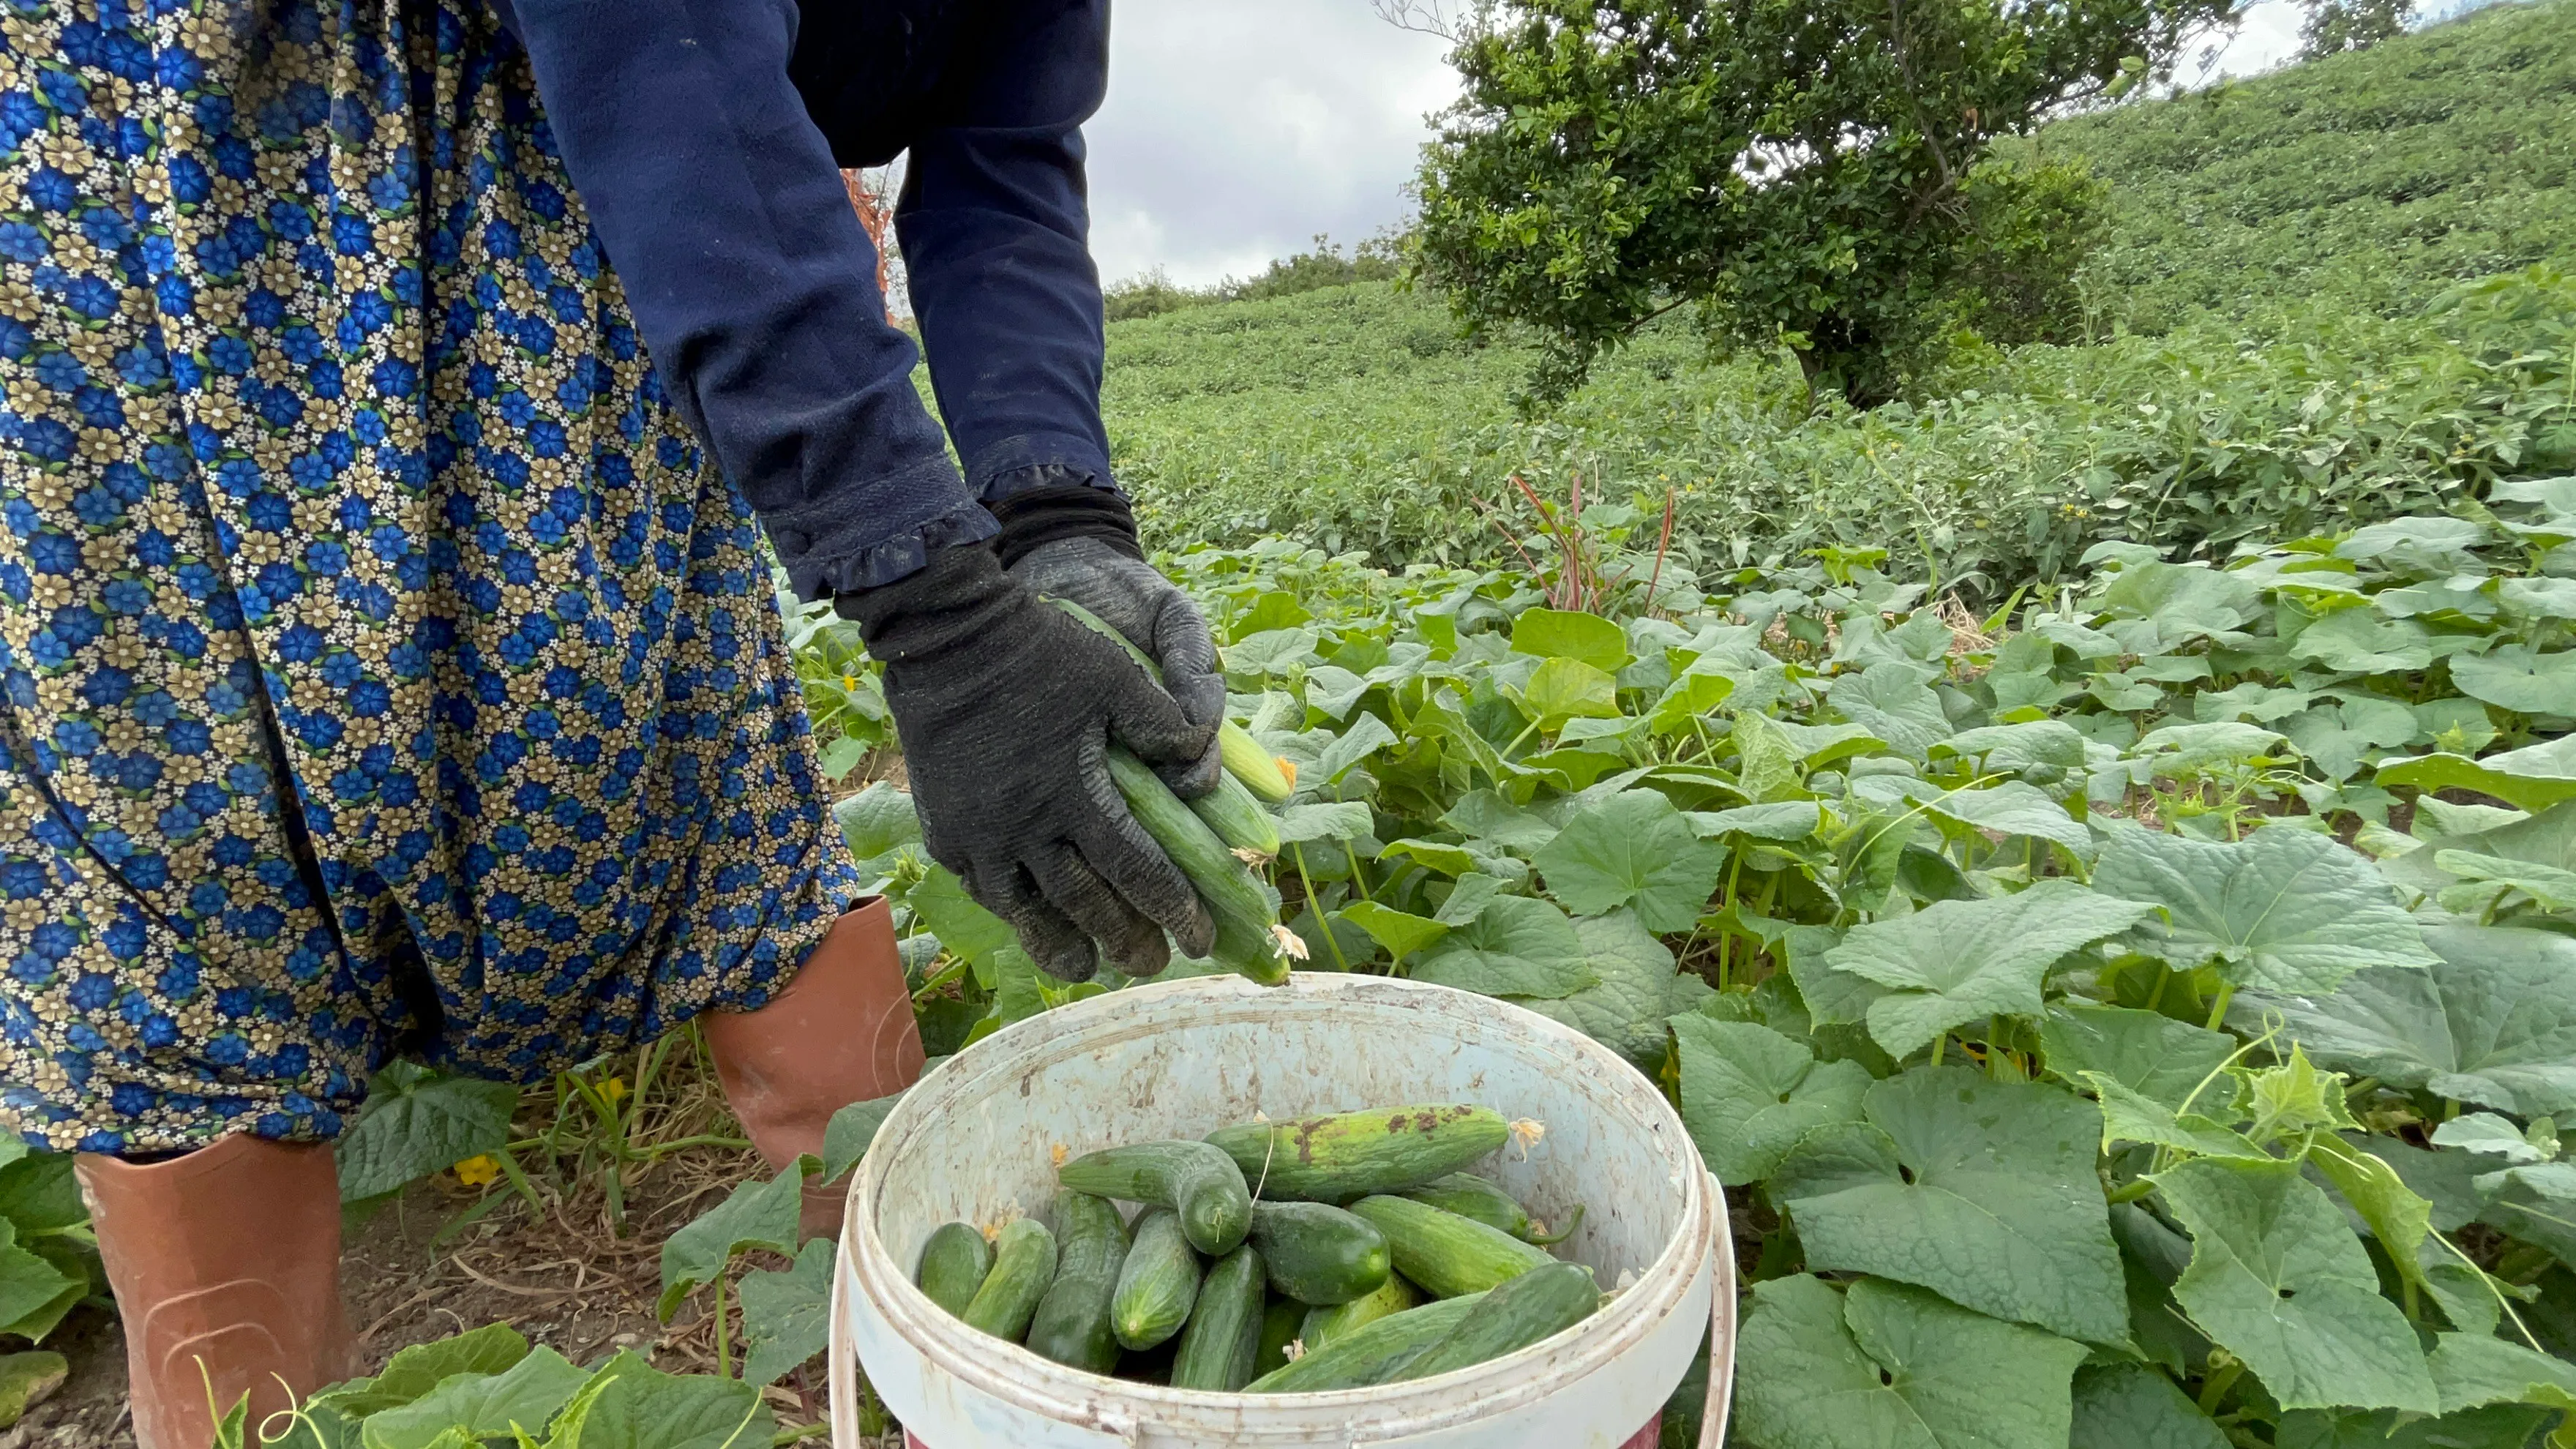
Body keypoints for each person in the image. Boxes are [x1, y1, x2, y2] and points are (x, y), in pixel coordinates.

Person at [0, 1, 1227, 1442]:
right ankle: (256, 1416)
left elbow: (1002, 150)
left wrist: (1057, 513)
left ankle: (877, 1374)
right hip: (209, 164)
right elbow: (660, 42)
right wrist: (938, 618)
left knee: (666, 709)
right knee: (197, 824)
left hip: (584, 174)